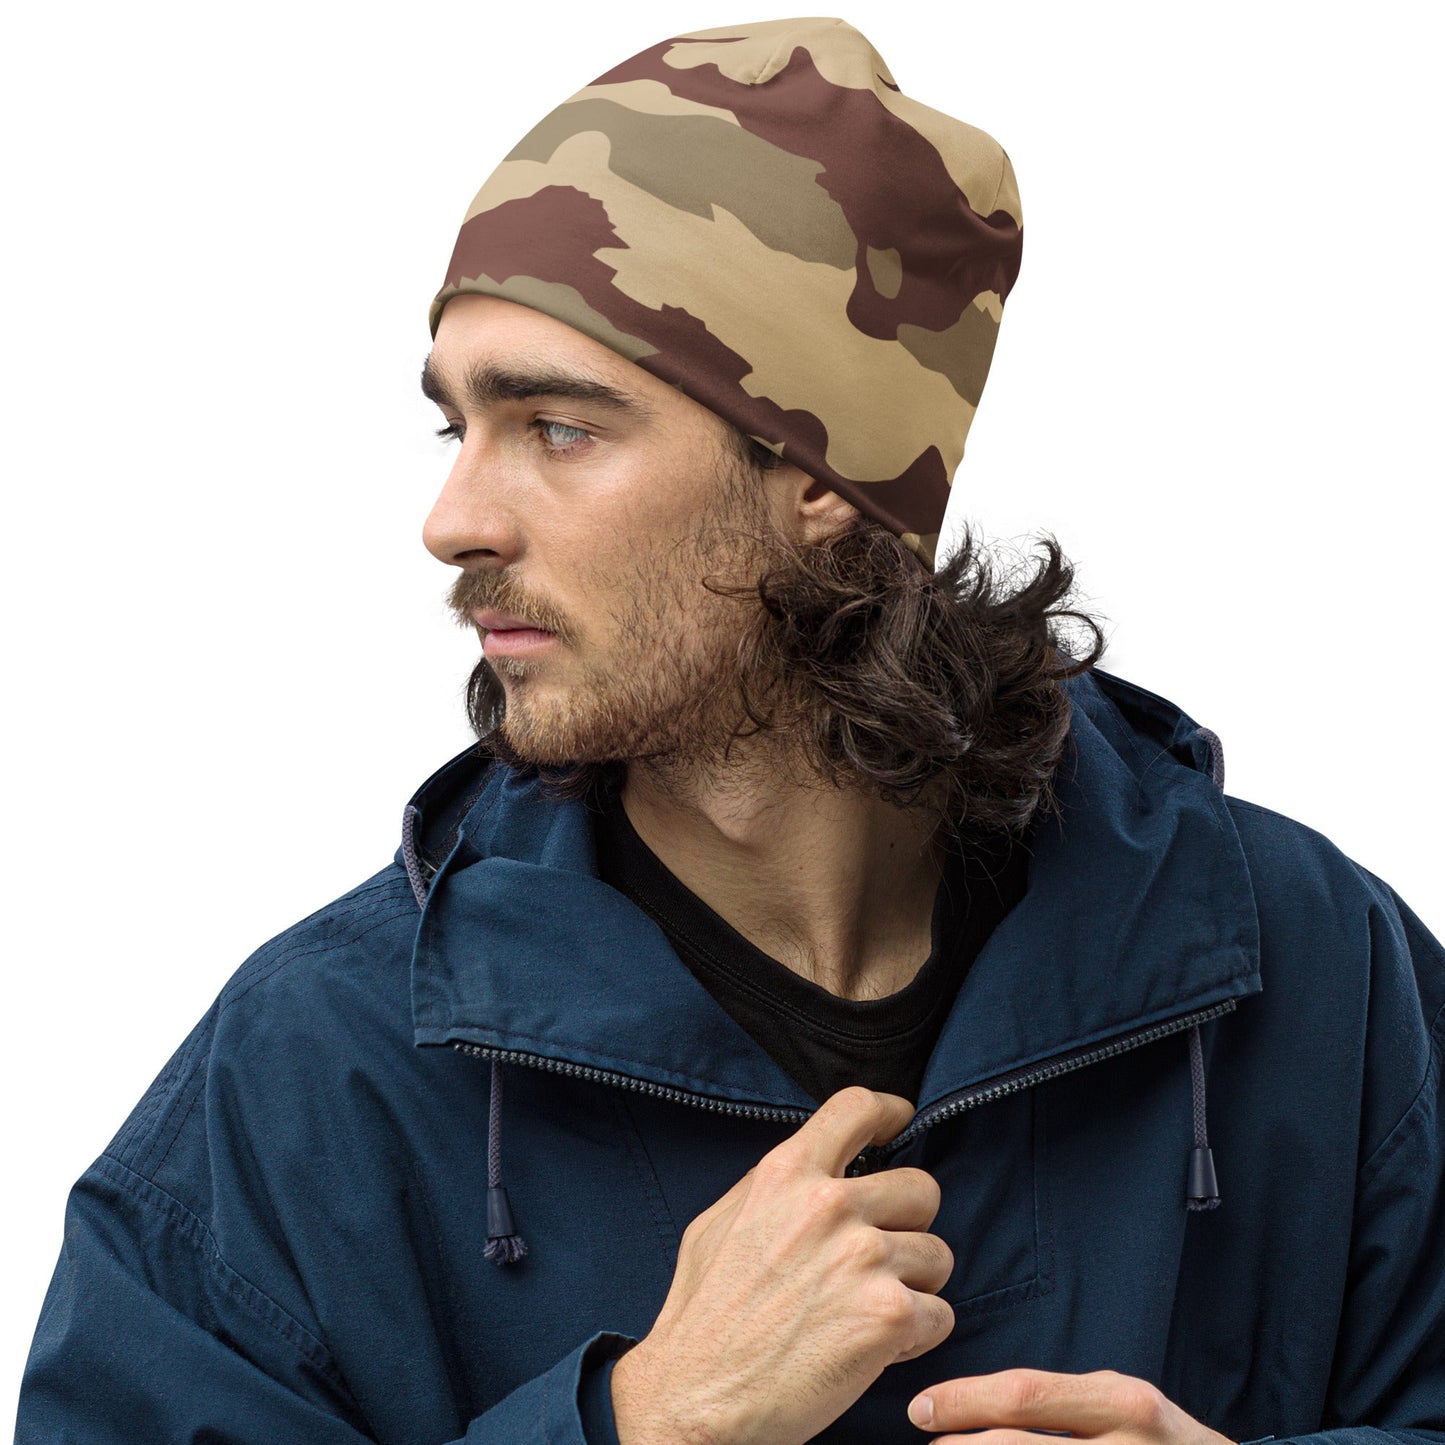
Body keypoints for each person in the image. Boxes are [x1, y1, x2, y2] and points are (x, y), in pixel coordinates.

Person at [15, 15, 1444, 1445]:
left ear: (824, 472)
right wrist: (640, 1421)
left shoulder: (1308, 968)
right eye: (457, 427)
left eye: (558, 427)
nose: (453, 520)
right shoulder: (315, 1074)